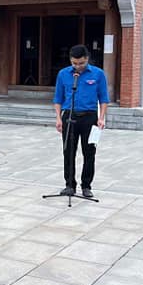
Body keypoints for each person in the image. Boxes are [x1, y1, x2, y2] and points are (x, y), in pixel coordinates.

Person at [54, 44, 109, 198]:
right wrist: (58, 118)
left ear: (87, 59)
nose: (78, 66)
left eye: (81, 63)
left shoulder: (98, 74)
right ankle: (69, 185)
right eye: (74, 63)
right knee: (68, 152)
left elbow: (104, 98)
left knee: (89, 152)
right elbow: (58, 98)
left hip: (89, 117)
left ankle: (86, 186)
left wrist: (101, 118)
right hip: (69, 116)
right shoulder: (63, 74)